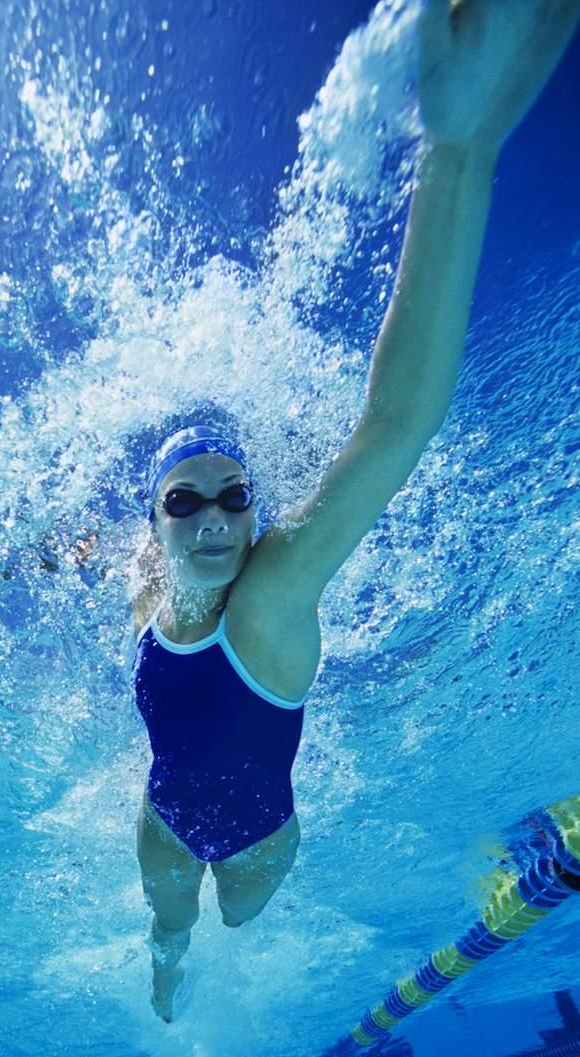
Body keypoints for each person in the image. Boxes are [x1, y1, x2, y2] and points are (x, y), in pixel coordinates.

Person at [131, 0, 580, 1022]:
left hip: (255, 845)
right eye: (182, 501)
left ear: (255, 515)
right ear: (153, 524)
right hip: (158, 825)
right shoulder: (151, 580)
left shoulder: (270, 597)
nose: (210, 517)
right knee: (167, 934)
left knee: (235, 920)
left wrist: (456, 154)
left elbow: (395, 425)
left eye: (232, 497)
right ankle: (168, 966)